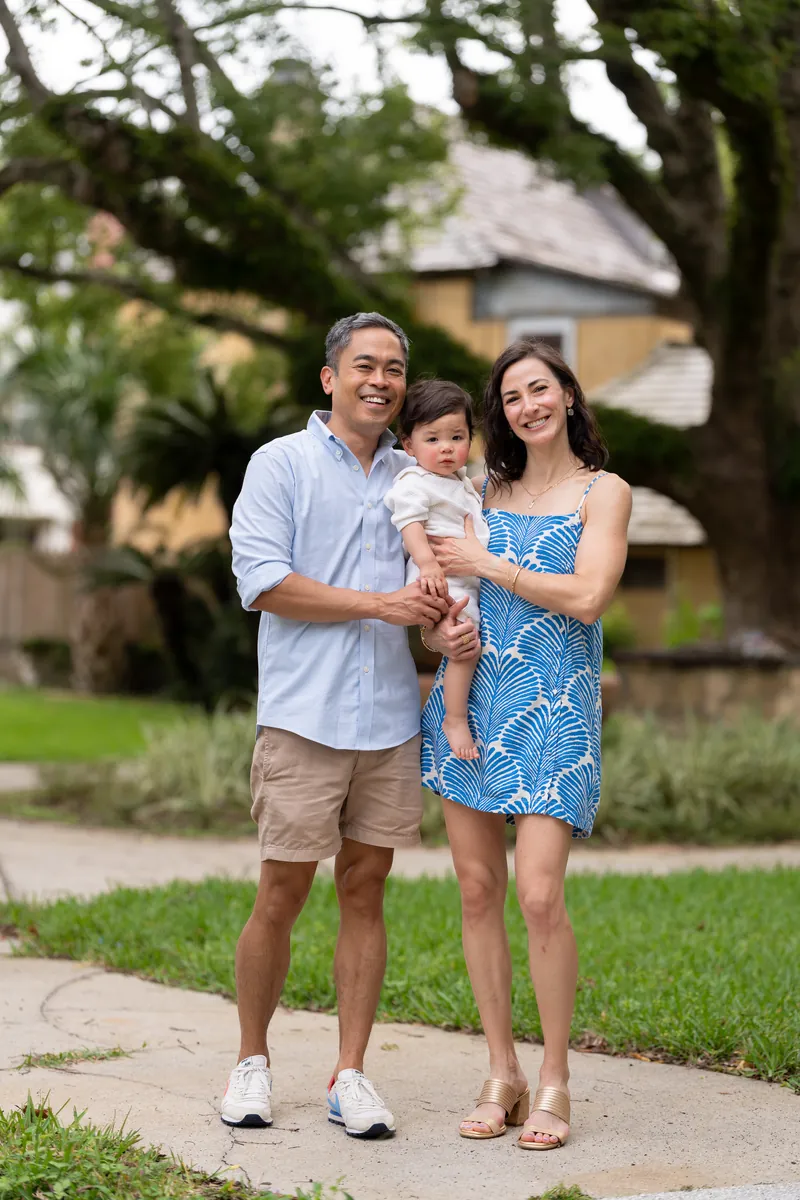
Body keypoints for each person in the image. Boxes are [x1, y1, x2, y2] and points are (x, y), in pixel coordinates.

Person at [222, 312, 479, 1139]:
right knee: (282, 891)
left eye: (395, 368)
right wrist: (381, 606)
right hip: (302, 716)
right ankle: (251, 1063)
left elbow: (434, 585)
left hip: (389, 721)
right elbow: (262, 582)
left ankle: (351, 1074)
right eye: (364, 364)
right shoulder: (282, 463)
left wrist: (444, 627)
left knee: (366, 890)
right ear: (329, 377)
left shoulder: (424, 472)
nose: (381, 379)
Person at [421, 338, 631, 1150]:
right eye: (511, 398)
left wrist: (486, 560)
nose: (527, 406)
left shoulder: (603, 492)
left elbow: (587, 596)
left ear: (569, 396)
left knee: (539, 895)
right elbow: (443, 576)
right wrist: (442, 624)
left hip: (556, 716)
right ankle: (501, 1070)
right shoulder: (483, 486)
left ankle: (554, 1080)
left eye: (539, 389)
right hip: (471, 708)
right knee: (479, 892)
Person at [384, 380, 490, 761]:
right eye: (432, 439)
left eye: (457, 437)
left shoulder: (461, 484)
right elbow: (408, 521)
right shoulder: (415, 481)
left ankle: (458, 713)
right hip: (438, 577)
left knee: (464, 642)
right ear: (408, 446)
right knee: (466, 644)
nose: (446, 447)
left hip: (461, 578)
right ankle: (454, 719)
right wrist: (428, 563)